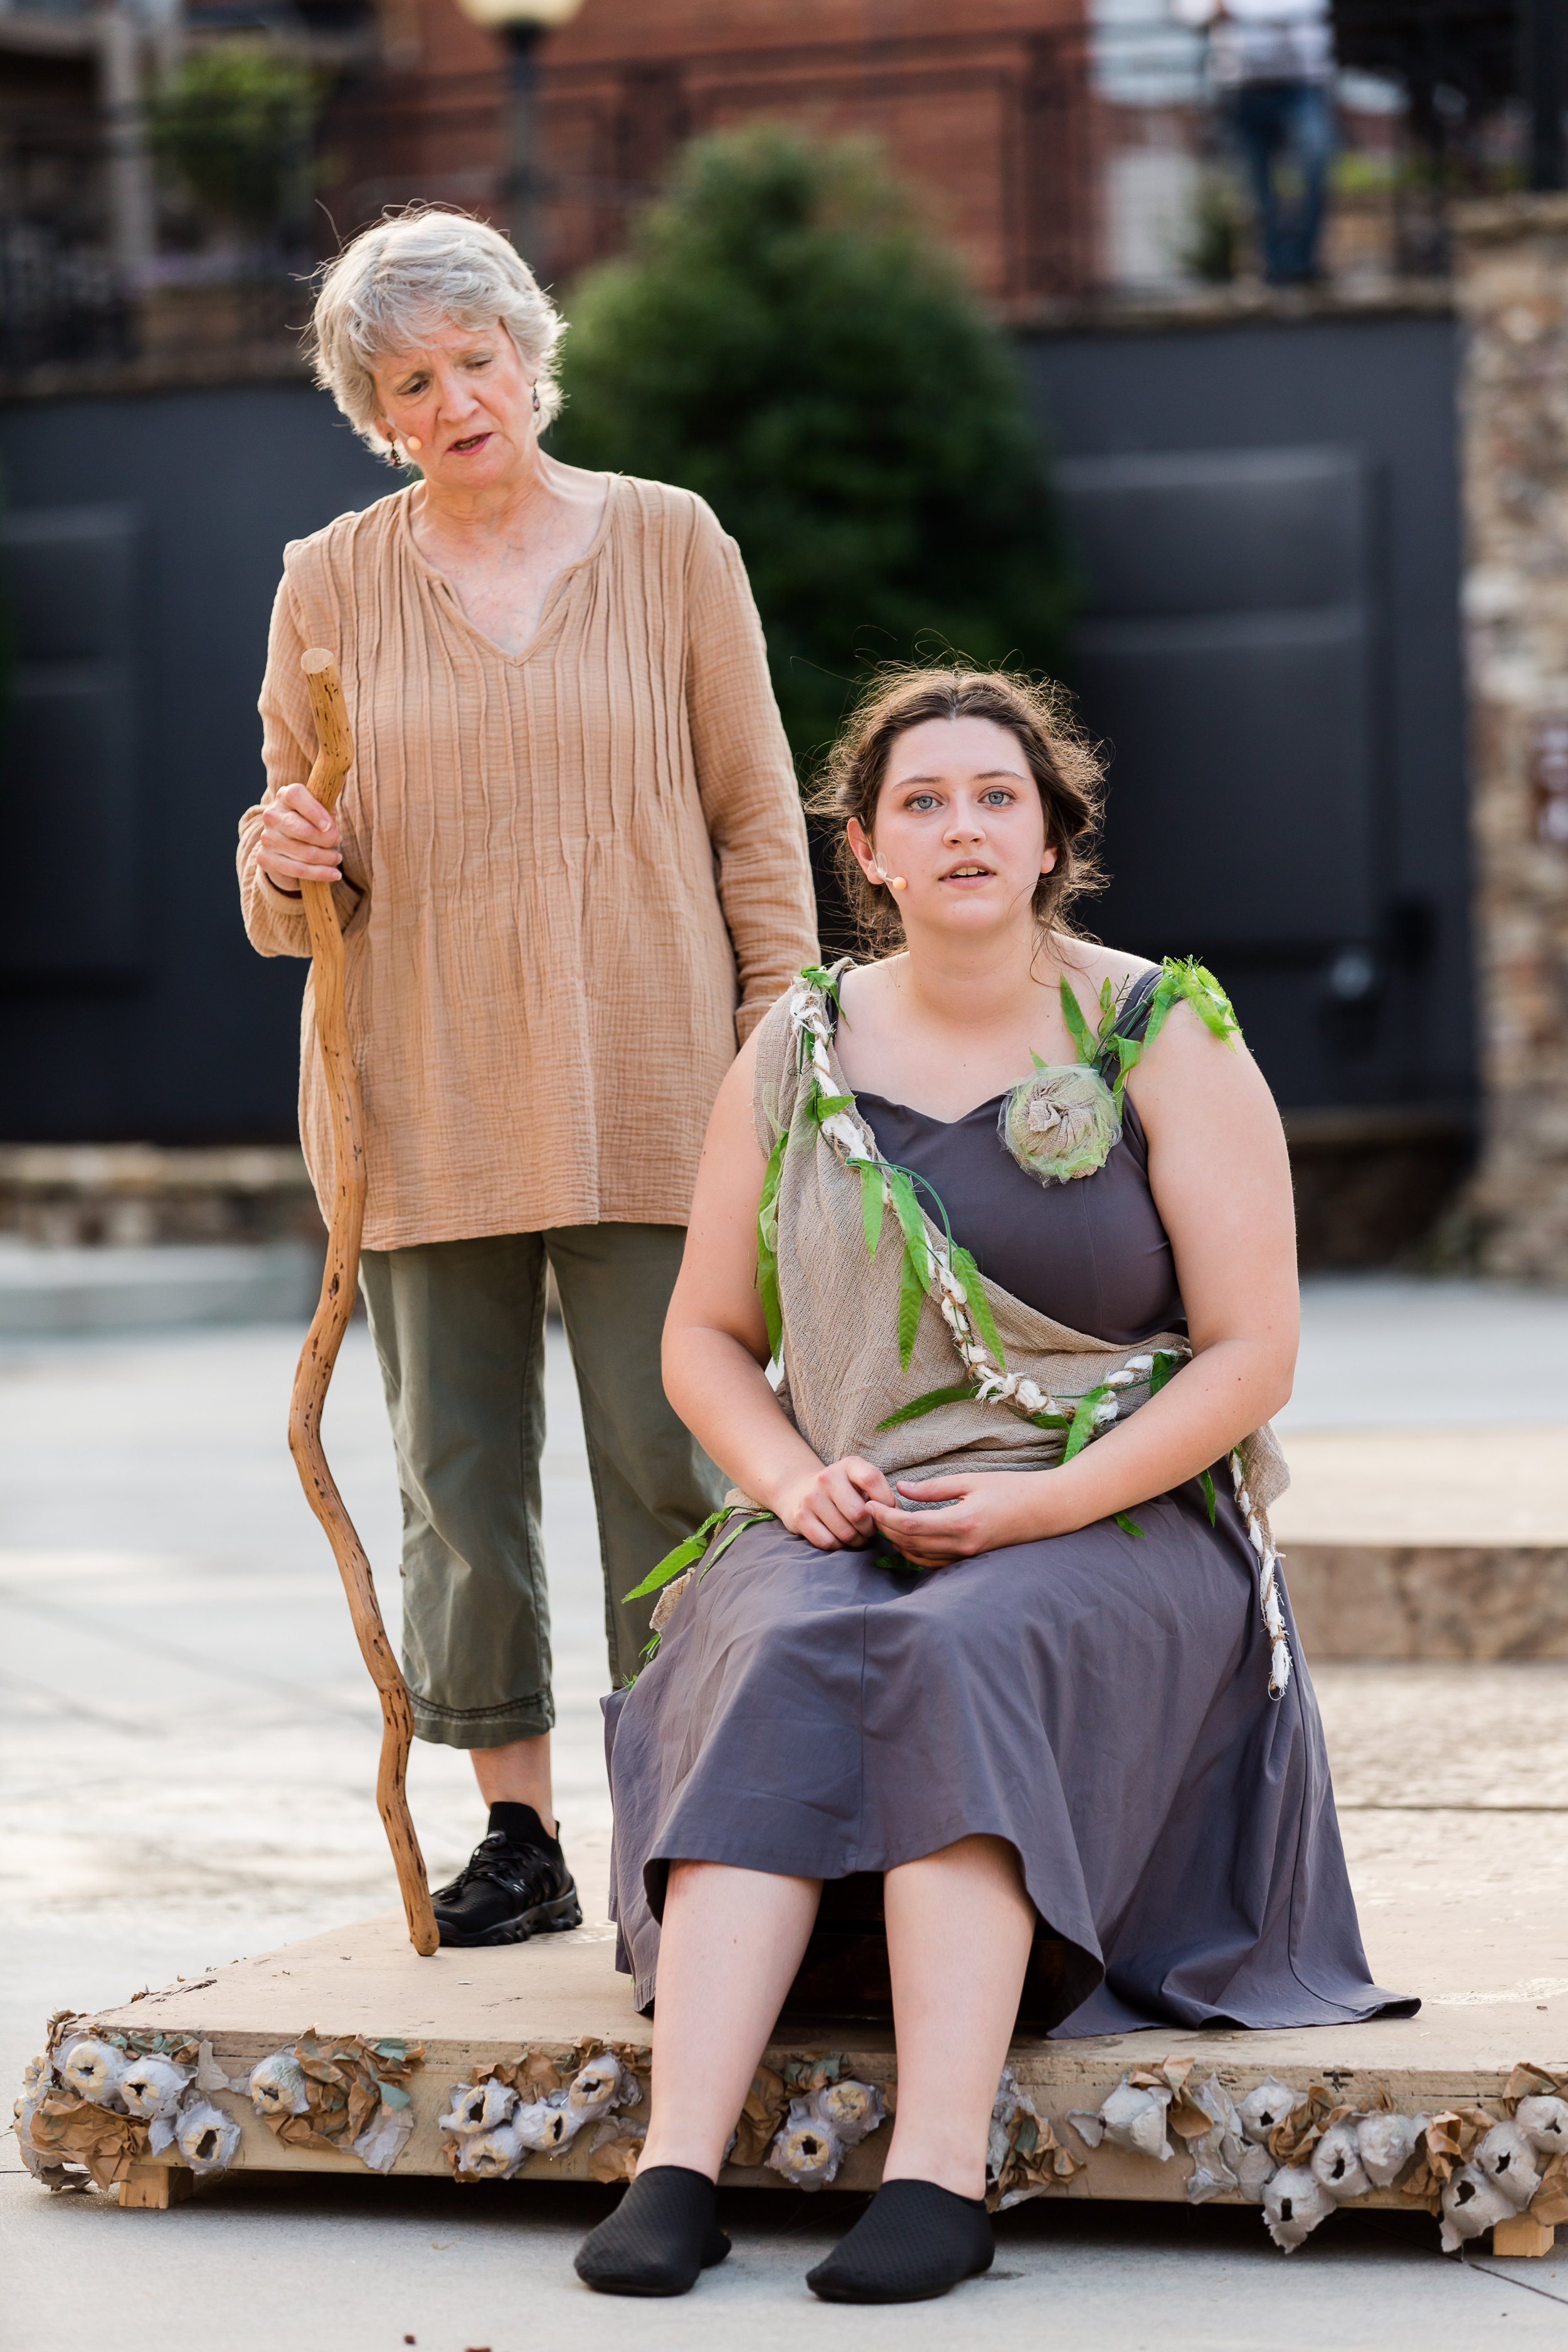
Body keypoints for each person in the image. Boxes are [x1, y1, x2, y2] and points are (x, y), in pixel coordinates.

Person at [575, 667, 1412, 2303]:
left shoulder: (1156, 1028)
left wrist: (1035, 1505)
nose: (962, 824)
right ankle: (674, 2161)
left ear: (1050, 837)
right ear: (867, 848)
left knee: (963, 1643)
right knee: (778, 1627)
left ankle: (938, 2171)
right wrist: (790, 1476)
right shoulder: (794, 1039)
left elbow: (1251, 1354)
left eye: (996, 796)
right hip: (856, 1496)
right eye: (922, 801)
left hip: (1112, 1511)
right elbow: (702, 1335)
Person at [236, 206, 817, 1949]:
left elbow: (752, 813)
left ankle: (685, 1816)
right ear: (378, 409)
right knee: (455, 1484)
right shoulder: (328, 581)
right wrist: (282, 851)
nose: (454, 398)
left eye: (475, 359)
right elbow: (288, 896)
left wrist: (775, 1042)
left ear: (525, 355)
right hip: (417, 1097)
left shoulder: (671, 543)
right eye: (411, 380)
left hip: (656, 1089)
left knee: (668, 1464)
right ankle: (518, 1830)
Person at [1174, 0, 1337, 285]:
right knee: (1256, 185)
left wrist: (1236, 12)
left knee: (1315, 164)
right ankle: (1277, 267)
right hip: (1242, 87)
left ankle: (1304, 261)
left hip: (1303, 81)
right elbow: (1188, 10)